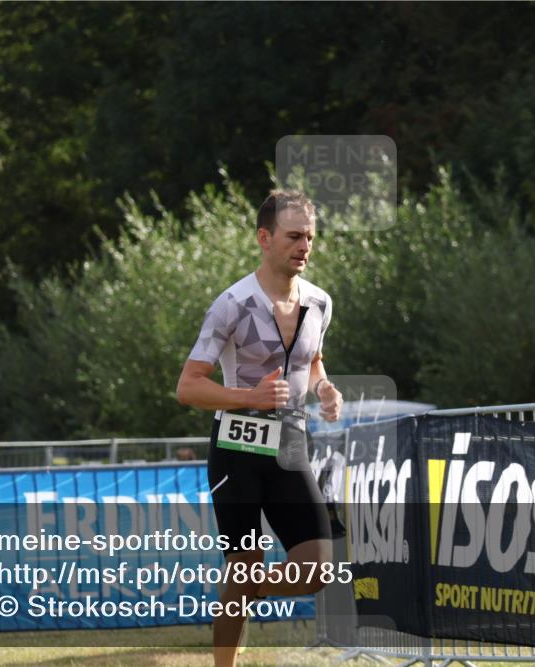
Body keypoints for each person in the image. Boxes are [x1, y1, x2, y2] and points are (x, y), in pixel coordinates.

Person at [176, 189, 343, 666]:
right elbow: (188, 387)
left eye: (310, 237)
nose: (304, 246)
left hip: (291, 445)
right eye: (294, 236)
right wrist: (248, 397)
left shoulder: (320, 302)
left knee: (316, 568)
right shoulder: (231, 303)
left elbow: (313, 363)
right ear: (264, 238)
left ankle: (239, 593)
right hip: (236, 448)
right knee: (244, 565)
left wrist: (325, 388)